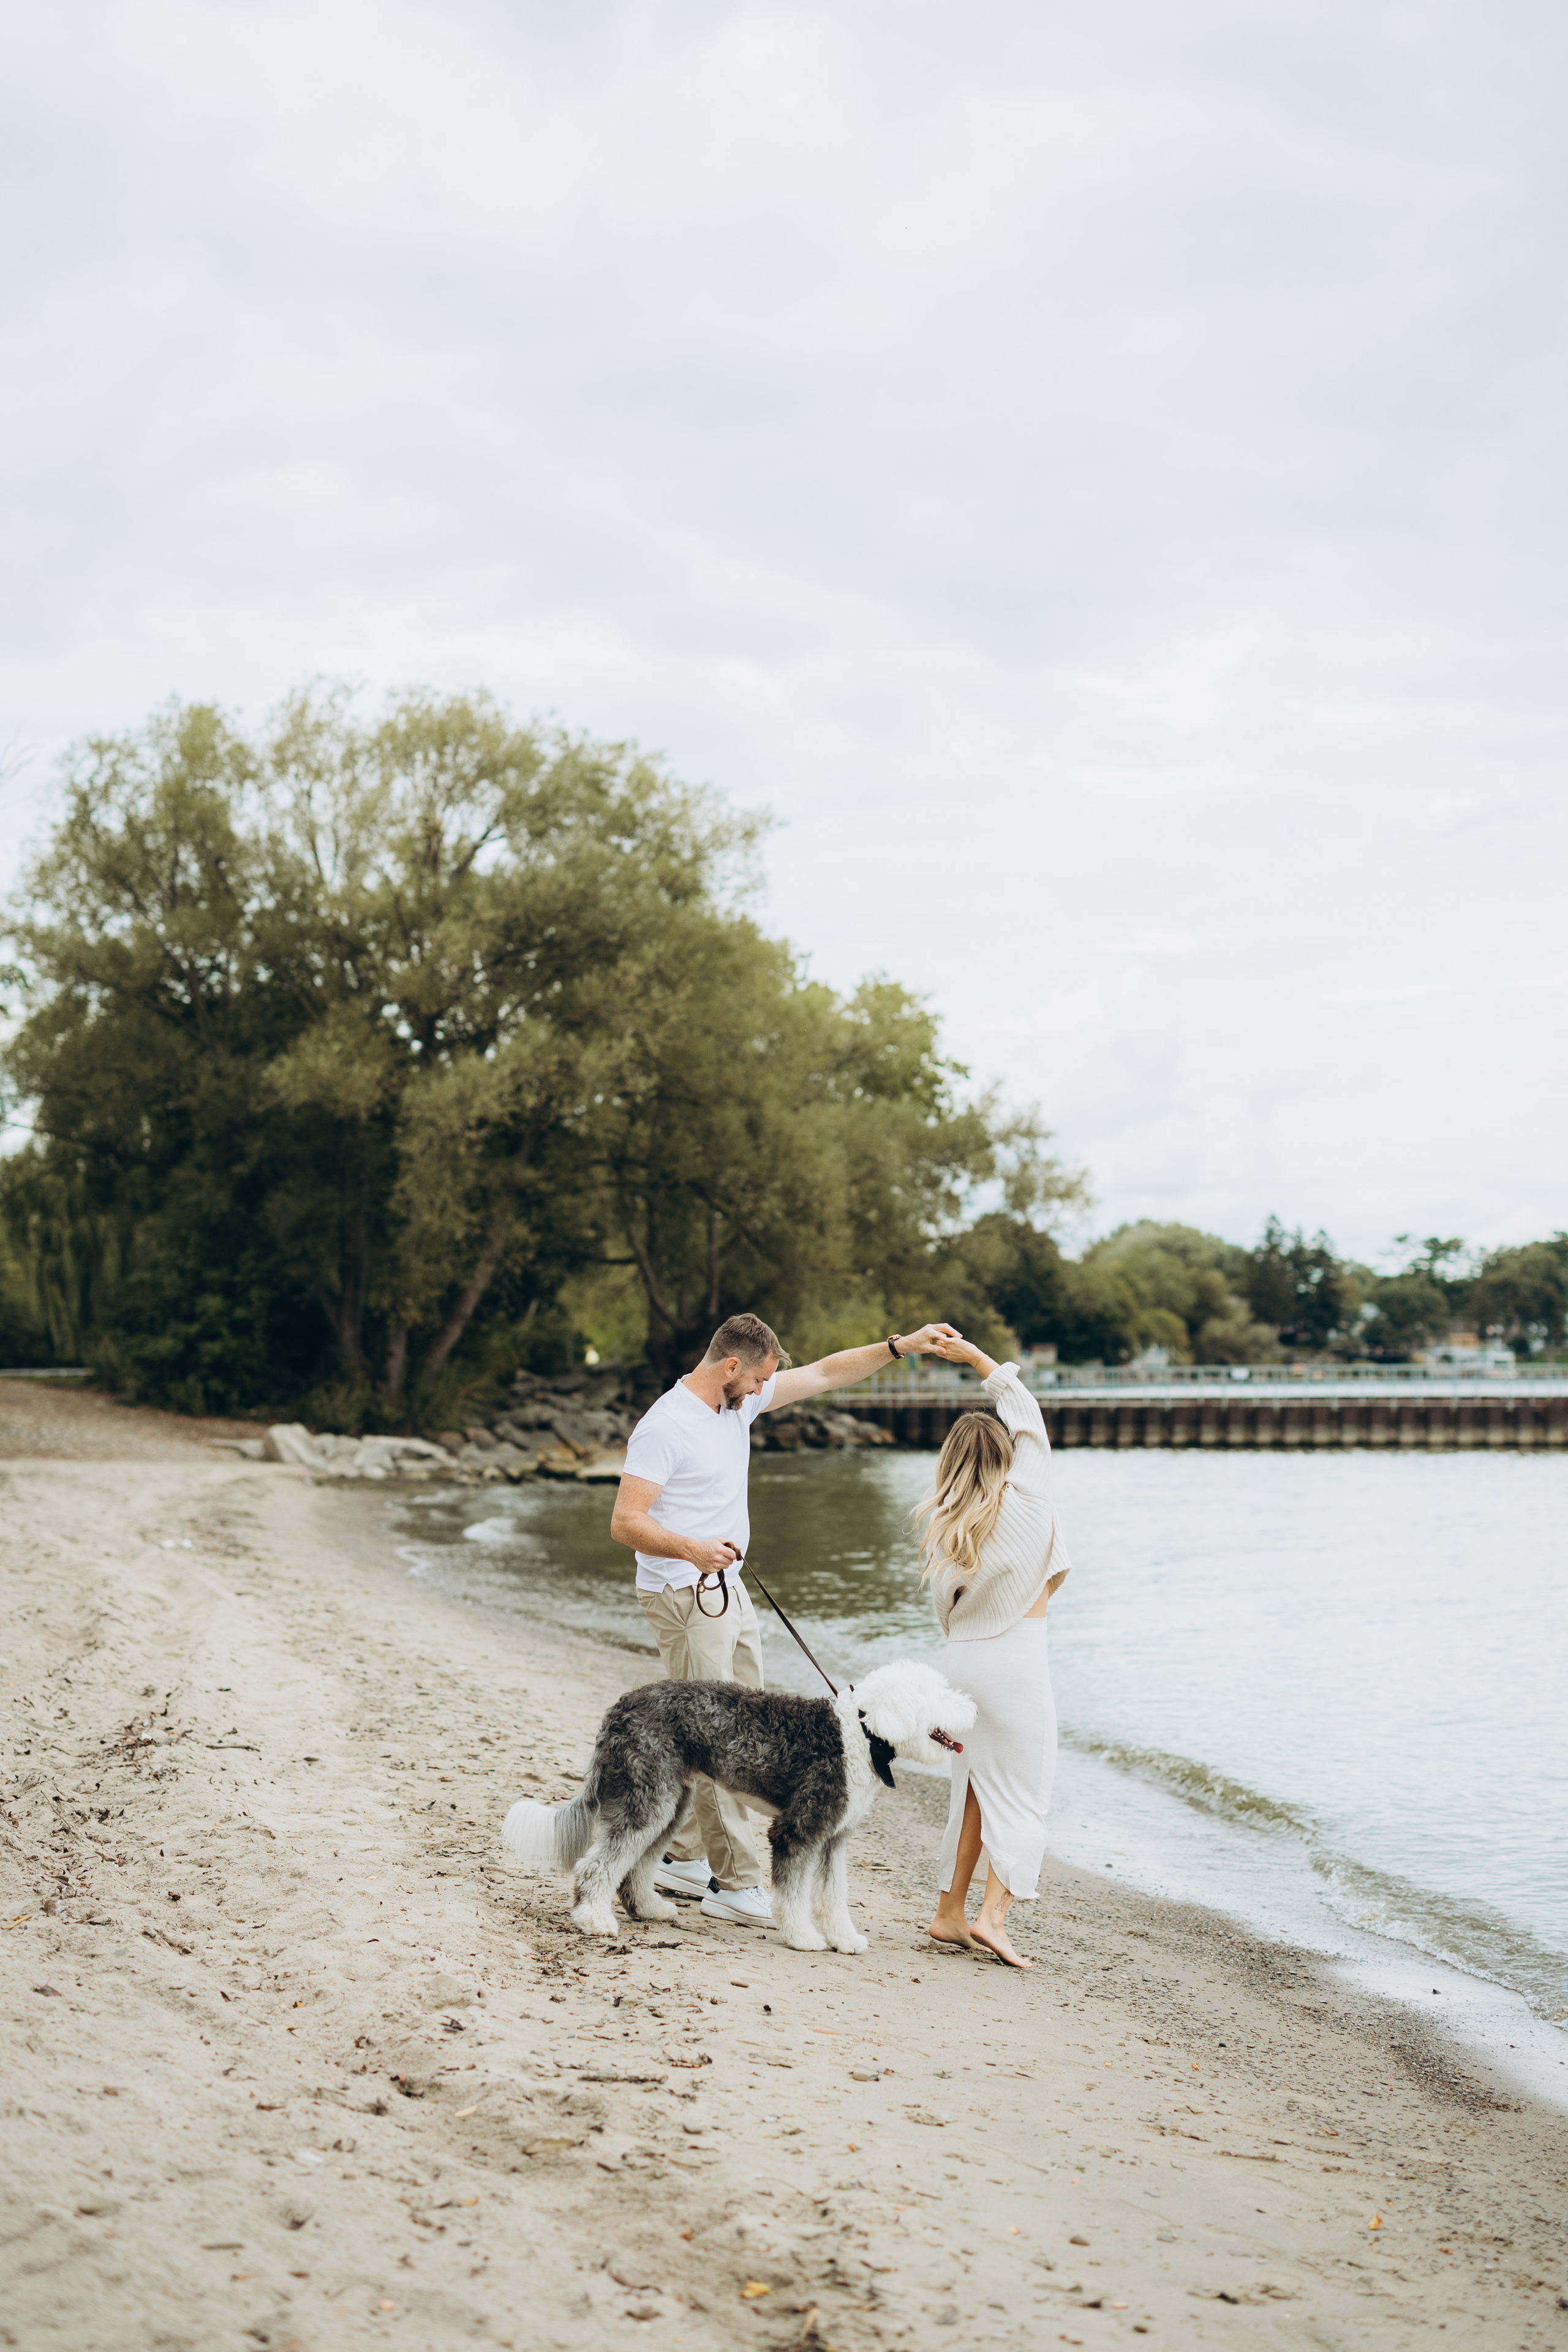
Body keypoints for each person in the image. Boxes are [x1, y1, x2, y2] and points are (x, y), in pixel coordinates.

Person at [610, 1310, 958, 1928]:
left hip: (726, 1587)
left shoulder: (733, 1404)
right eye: (757, 1380)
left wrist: (900, 1346)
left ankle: (684, 1858)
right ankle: (736, 1882)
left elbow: (826, 1374)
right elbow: (625, 1522)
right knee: (718, 1740)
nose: (760, 1393)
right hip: (685, 1593)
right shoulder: (666, 1426)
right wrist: (691, 1549)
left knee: (746, 1722)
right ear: (731, 1365)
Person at [913, 1332, 1072, 1968]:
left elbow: (944, 1614)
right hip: (1016, 1662)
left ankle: (950, 1913)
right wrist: (980, 1361)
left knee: (975, 1788)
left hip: (962, 1665)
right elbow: (1027, 1412)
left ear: (950, 1462)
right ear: (1006, 1454)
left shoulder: (945, 1521)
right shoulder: (1028, 1497)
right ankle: (993, 1918)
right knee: (1027, 1793)